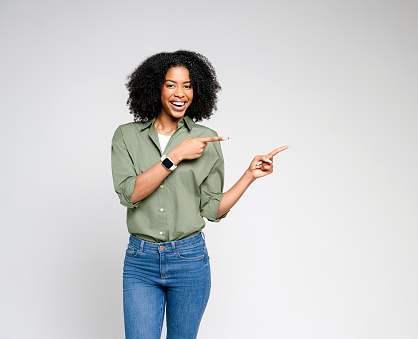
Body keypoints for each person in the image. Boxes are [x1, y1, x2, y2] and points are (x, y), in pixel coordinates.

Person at [111, 50, 289, 339]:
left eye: (188, 85)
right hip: (140, 261)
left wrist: (249, 176)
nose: (180, 93)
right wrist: (176, 156)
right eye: (171, 84)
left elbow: (212, 210)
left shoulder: (207, 138)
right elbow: (130, 194)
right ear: (155, 87)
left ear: (198, 90)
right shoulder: (126, 136)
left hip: (189, 259)